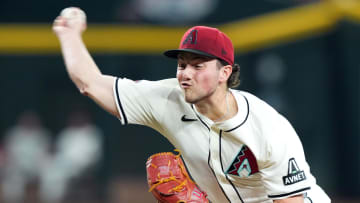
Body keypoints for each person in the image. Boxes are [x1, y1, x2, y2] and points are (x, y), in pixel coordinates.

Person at [53, 7, 331, 203]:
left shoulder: (267, 128)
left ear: (225, 73)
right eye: (182, 64)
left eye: (198, 66)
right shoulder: (168, 99)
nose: (186, 73)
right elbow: (91, 83)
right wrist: (69, 35)